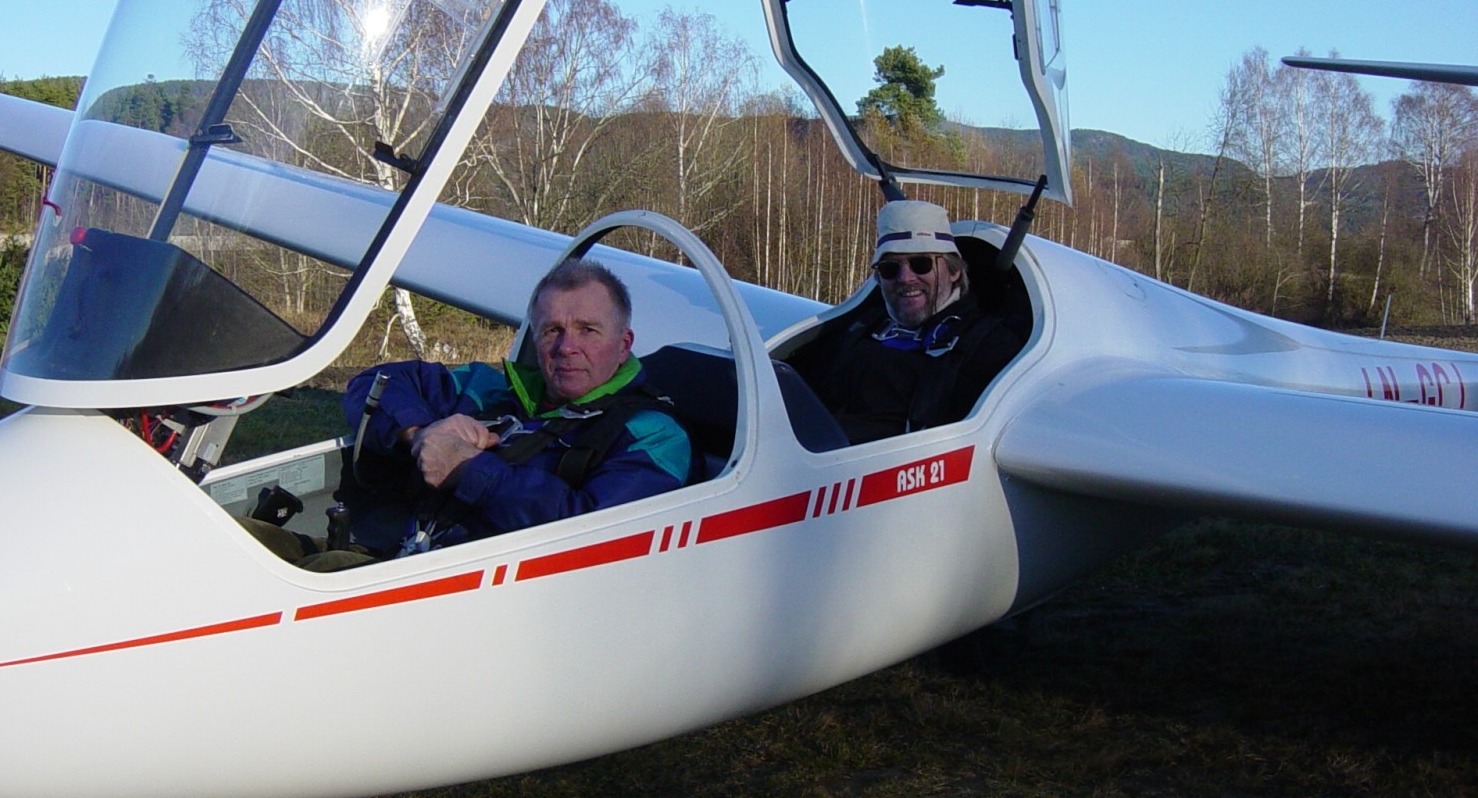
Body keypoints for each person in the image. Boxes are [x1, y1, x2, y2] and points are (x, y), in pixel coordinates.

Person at [251, 258, 690, 569]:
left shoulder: (654, 436)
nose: (566, 347)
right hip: (400, 557)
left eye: (588, 330)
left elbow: (597, 536)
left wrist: (468, 469)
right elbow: (375, 382)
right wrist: (420, 434)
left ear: (624, 344)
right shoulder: (492, 390)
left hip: (490, 595)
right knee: (246, 540)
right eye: (552, 330)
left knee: (318, 571)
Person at [787, 200, 1024, 444]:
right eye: (890, 268)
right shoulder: (859, 328)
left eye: (921, 264)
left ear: (954, 271)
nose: (905, 278)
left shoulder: (990, 346)